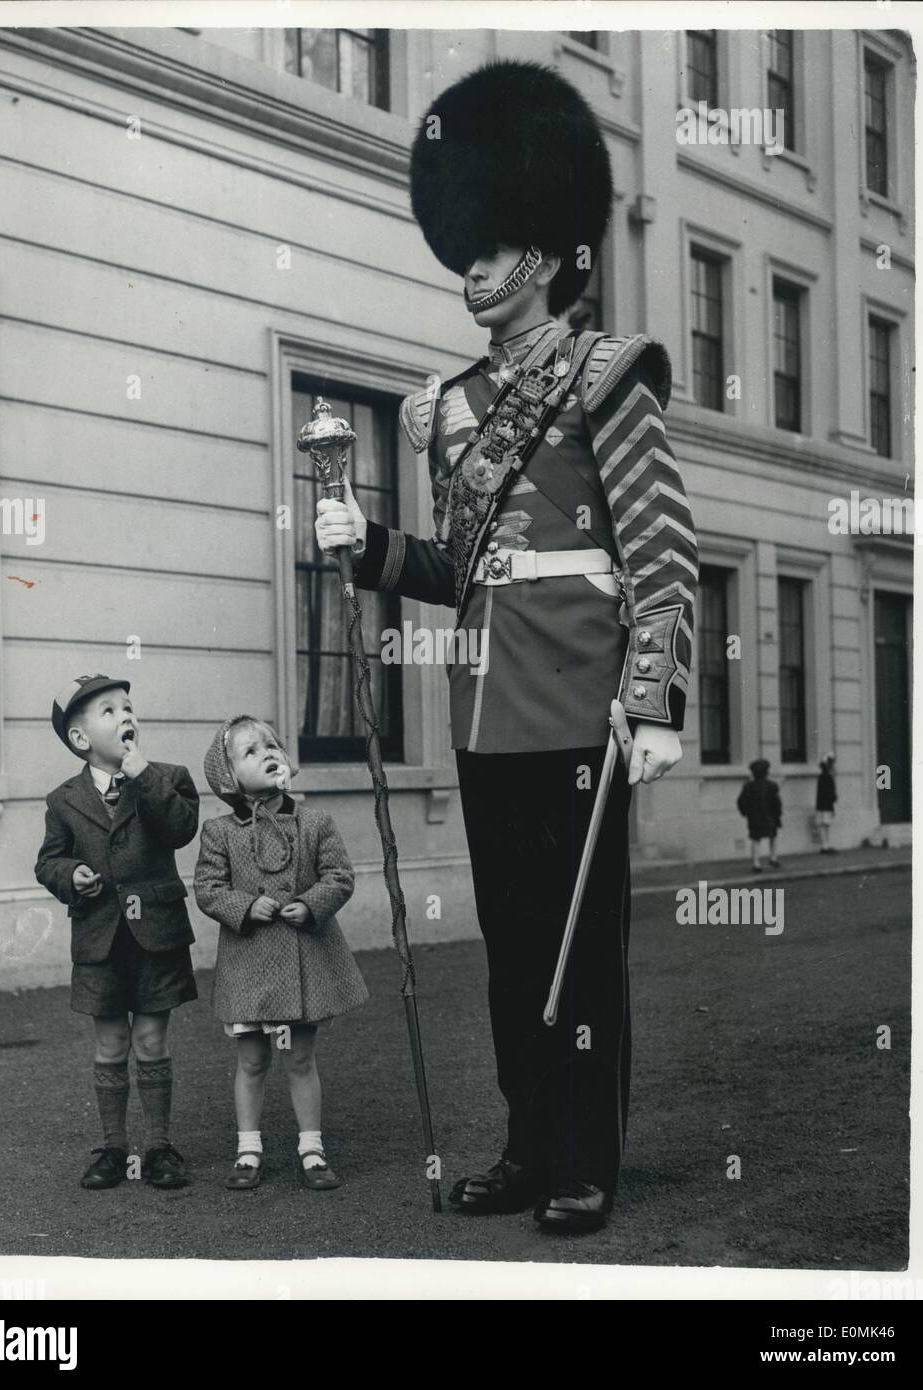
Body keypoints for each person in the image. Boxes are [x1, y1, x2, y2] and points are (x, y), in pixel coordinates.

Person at [314, 61, 698, 1233]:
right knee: (511, 950)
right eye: (462, 250)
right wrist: (365, 543)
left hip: (582, 707)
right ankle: (529, 1145)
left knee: (579, 958)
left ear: (538, 248)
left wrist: (657, 702)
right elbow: (457, 569)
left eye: (487, 248)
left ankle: (586, 1156)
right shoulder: (450, 408)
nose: (469, 271)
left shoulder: (606, 377)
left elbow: (662, 552)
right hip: (482, 713)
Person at [34, 675, 199, 1190]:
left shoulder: (167, 777)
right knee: (109, 1044)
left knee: (151, 1039)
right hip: (98, 936)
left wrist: (142, 774)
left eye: (128, 706)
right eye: (108, 711)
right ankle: (112, 1146)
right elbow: (49, 861)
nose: (125, 715)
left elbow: (179, 829)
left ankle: (158, 1146)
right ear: (81, 740)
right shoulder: (63, 800)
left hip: (157, 933)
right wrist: (70, 877)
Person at [194, 715, 367, 1191]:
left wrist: (310, 904)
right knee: (251, 1060)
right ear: (229, 777)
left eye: (272, 744)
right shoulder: (220, 831)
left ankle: (311, 1149)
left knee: (301, 1059)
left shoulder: (315, 822)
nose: (268, 752)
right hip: (249, 966)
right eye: (251, 751)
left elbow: (340, 876)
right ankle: (248, 1149)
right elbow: (207, 889)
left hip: (302, 962)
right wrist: (247, 905)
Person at [737, 759, 783, 872]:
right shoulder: (772, 786)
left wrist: (746, 813)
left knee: (755, 839)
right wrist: (778, 813)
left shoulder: (748, 786)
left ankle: (756, 863)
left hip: (754, 818)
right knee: (773, 836)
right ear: (766, 772)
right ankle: (773, 858)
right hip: (770, 817)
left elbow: (741, 802)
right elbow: (777, 802)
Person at [816, 753, 838, 853]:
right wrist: (833, 799)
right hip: (826, 805)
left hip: (821, 805)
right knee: (825, 825)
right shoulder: (828, 777)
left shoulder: (821, 777)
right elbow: (830, 793)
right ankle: (825, 846)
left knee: (823, 825)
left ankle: (825, 845)